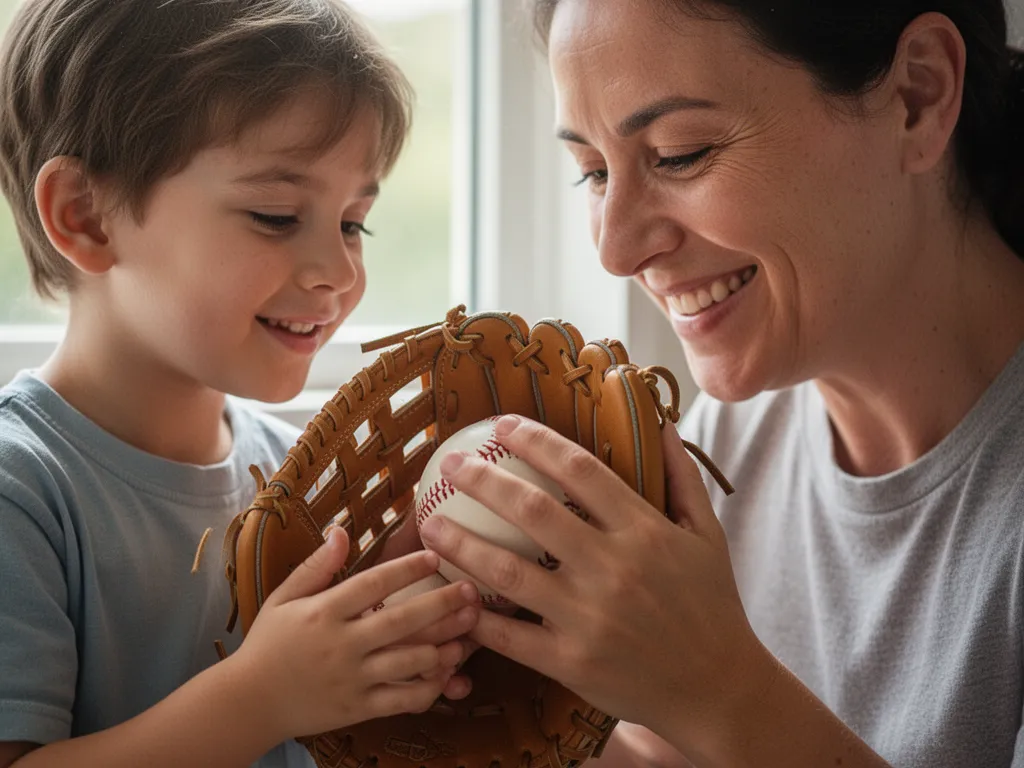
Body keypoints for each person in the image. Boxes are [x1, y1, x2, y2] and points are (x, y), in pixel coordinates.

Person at [416, 0, 1024, 765]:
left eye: (679, 153)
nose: (616, 250)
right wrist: (494, 691)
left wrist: (721, 689)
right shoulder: (728, 445)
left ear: (917, 96)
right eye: (593, 173)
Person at [0, 1, 481, 766]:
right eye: (276, 214)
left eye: (355, 222)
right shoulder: (21, 490)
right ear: (85, 217)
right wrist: (262, 696)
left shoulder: (312, 482)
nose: (340, 271)